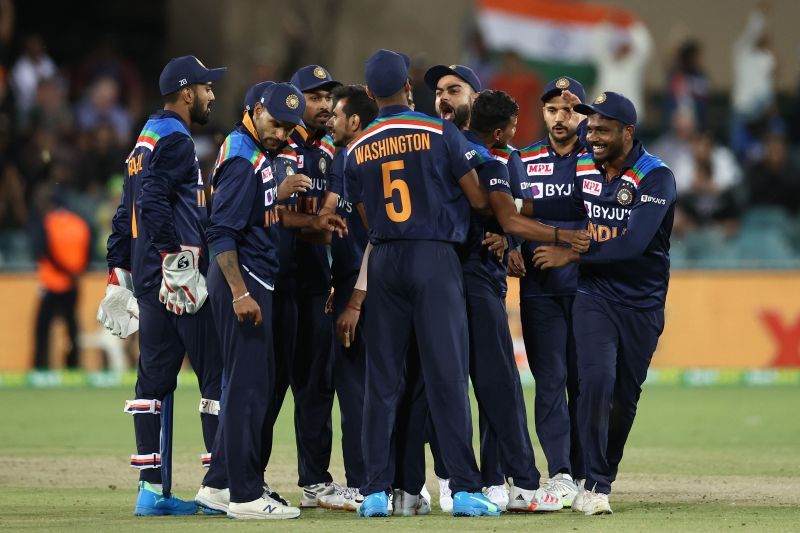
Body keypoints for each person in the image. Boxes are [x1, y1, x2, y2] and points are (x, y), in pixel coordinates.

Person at [197, 82, 346, 520]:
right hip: (244, 281)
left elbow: (255, 211)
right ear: (257, 109)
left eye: (287, 128)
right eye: (276, 123)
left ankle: (219, 485)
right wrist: (241, 292)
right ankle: (245, 496)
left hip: (255, 279)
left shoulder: (252, 151)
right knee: (248, 390)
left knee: (254, 385)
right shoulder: (244, 158)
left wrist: (277, 196)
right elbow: (221, 232)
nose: (281, 134)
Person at [533, 91, 676, 515]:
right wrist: (510, 232)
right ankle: (591, 483)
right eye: (589, 127)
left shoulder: (656, 176)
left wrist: (573, 252)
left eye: (602, 129)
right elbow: (551, 205)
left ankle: (601, 477)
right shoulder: (583, 165)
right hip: (593, 294)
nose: (591, 135)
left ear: (627, 132)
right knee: (594, 382)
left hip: (642, 304)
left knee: (623, 399)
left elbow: (633, 244)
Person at [100, 55, 226, 516]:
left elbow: (123, 213)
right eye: (207, 87)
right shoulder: (175, 138)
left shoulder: (144, 141)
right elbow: (152, 199)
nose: (213, 94)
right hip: (181, 279)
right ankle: (220, 487)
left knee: (153, 382)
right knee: (216, 377)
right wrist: (175, 259)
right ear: (187, 91)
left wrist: (117, 274)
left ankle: (150, 491)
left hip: (153, 281)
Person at [513, 77, 590, 508]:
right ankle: (560, 474)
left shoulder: (598, 160)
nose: (561, 118)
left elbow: (604, 215)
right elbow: (504, 211)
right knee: (550, 383)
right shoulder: (524, 160)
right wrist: (507, 247)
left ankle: (586, 474)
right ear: (542, 114)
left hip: (588, 291)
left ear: (583, 115)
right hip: (540, 291)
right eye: (553, 110)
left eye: (570, 109)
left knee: (587, 385)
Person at [278, 64, 341, 506]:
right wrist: (312, 223)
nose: (324, 105)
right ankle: (245, 479)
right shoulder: (278, 147)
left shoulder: (330, 152)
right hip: (278, 280)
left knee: (317, 385)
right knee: (266, 385)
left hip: (316, 282)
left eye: (327, 97)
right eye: (314, 97)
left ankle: (314, 482)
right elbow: (266, 213)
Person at [316, 84, 377, 512]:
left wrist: (353, 299)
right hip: (365, 285)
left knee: (356, 388)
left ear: (353, 121)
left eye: (336, 114)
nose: (330, 120)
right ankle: (399, 480)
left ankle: (364, 482)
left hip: (364, 288)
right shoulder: (353, 157)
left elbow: (377, 236)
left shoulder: (357, 157)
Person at [31, 186, 91, 369]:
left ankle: (41, 366)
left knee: (42, 328)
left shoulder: (48, 222)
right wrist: (75, 271)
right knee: (71, 326)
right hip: (73, 283)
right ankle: (72, 365)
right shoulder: (80, 223)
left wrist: (63, 270)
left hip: (51, 283)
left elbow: (42, 251)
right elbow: (88, 251)